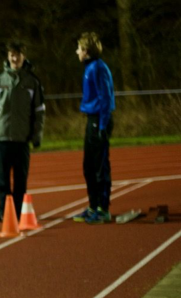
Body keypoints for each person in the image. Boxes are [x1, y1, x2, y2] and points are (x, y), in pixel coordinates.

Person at [0, 40, 46, 222]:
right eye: (12, 54)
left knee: (20, 179)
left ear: (23, 56)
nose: (14, 57)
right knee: (2, 179)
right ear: (8, 56)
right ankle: (3, 210)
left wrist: (37, 135)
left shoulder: (32, 82)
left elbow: (39, 111)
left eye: (18, 54)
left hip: (22, 137)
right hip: (2, 136)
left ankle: (18, 211)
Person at [72, 32, 115, 224]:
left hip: (99, 119)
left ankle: (103, 209)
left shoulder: (98, 68)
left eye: (79, 49)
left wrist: (103, 125)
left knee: (99, 167)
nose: (76, 52)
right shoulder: (89, 67)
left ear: (86, 51)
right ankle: (93, 206)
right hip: (92, 119)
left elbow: (105, 97)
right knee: (88, 166)